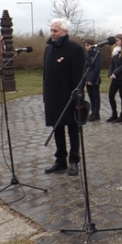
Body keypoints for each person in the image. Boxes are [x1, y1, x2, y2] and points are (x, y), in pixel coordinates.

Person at [43, 18, 85, 176]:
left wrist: (79, 99)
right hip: (52, 97)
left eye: (55, 31)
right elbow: (45, 74)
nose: (52, 33)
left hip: (69, 97)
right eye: (51, 30)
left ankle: (74, 160)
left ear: (65, 32)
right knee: (57, 129)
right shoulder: (48, 49)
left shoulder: (75, 49)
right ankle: (60, 160)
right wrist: (46, 95)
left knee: (72, 129)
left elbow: (79, 76)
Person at [107, 33, 122, 123]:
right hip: (115, 77)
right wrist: (110, 73)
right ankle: (114, 114)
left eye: (117, 40)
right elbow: (111, 64)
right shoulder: (115, 51)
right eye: (115, 40)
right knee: (111, 95)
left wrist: (115, 73)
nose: (116, 42)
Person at [83, 39, 102, 121]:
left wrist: (92, 79)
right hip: (87, 76)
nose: (86, 47)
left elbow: (97, 68)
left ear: (92, 45)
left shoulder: (97, 54)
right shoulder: (86, 54)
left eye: (88, 45)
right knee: (90, 95)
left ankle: (96, 113)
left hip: (94, 77)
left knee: (95, 96)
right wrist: (85, 78)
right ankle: (93, 111)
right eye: (85, 45)